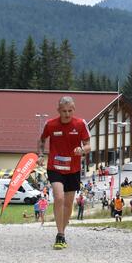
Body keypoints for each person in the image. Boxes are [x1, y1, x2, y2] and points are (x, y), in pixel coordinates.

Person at [38, 96, 91, 250]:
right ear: (58, 111)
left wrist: (81, 150)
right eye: (64, 111)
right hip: (54, 167)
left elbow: (88, 145)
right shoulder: (51, 124)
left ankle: (63, 232)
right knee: (59, 197)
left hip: (73, 169)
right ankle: (60, 234)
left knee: (68, 203)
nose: (67, 114)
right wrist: (41, 155)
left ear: (74, 109)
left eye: (70, 111)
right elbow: (41, 140)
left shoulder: (80, 124)